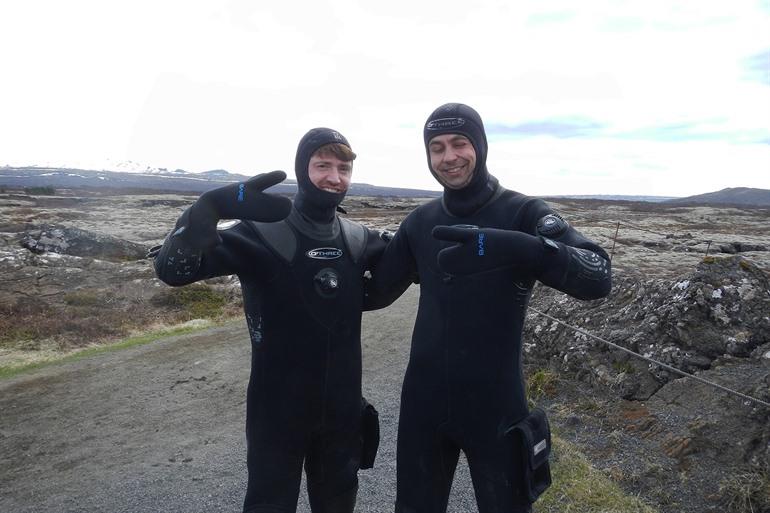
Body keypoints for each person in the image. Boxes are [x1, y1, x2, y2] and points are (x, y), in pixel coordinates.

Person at [365, 103, 612, 513]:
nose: (449, 157)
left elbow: (598, 276)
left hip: (496, 405)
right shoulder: (419, 223)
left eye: (459, 143)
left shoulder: (523, 212)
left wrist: (520, 247)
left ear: (479, 146)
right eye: (437, 147)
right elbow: (373, 294)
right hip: (423, 404)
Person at [153, 128, 386, 513]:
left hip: (342, 411)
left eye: (343, 169)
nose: (334, 177)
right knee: (269, 502)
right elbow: (172, 271)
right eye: (322, 165)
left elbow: (413, 264)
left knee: (339, 499)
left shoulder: (358, 239)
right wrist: (206, 209)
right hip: (277, 412)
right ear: (302, 168)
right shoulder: (261, 234)